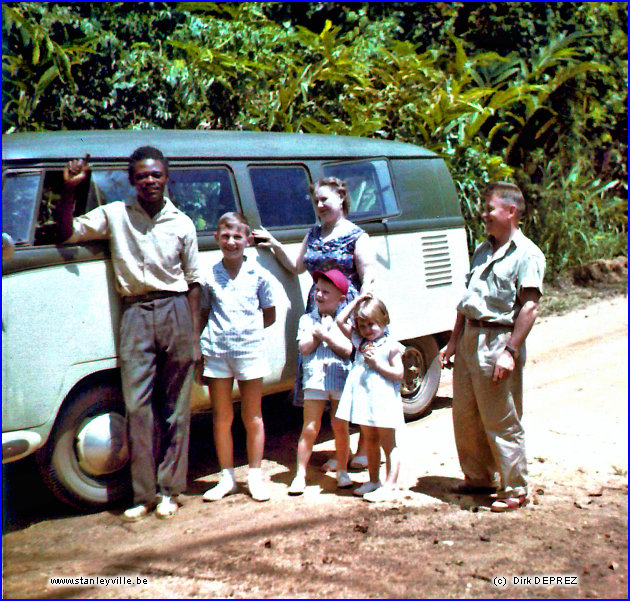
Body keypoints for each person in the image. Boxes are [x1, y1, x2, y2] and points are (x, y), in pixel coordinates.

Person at [59, 147, 201, 521]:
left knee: (176, 410)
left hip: (175, 311)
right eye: (141, 176)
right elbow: (67, 232)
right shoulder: (115, 215)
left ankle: (170, 490)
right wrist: (70, 191)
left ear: (166, 177)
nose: (149, 181)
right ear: (131, 179)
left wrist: (194, 337)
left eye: (155, 174)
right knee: (137, 408)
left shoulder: (182, 224)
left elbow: (194, 282)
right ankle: (144, 494)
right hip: (135, 312)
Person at [253, 176, 375, 471]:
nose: (320, 205)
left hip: (349, 312)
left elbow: (369, 278)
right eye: (316, 201)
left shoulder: (357, 236)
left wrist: (361, 315)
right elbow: (296, 266)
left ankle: (359, 450)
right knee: (327, 382)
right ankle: (343, 450)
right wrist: (272, 243)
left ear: (341, 199)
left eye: (325, 199)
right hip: (319, 308)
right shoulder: (314, 233)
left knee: (353, 378)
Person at [439, 181, 545, 513]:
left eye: (490, 208)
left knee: (501, 418)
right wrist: (452, 343)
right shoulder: (483, 250)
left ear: (510, 211)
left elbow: (528, 308)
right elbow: (467, 302)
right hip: (471, 336)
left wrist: (510, 352)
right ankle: (479, 477)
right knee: (466, 415)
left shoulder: (528, 254)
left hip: (499, 340)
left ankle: (515, 487)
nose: (483, 214)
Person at [199, 212, 276, 503]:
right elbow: (205, 313)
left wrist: (246, 334)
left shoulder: (260, 275)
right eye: (226, 236)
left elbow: (269, 315)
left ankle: (254, 476)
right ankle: (227, 477)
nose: (232, 242)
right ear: (217, 238)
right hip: (217, 354)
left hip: (249, 353)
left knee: (253, 415)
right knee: (221, 417)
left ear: (247, 239)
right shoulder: (209, 275)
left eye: (237, 236)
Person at [288, 269, 354, 496]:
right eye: (317, 290)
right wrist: (317, 334)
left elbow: (347, 350)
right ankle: (300, 474)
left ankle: (342, 471)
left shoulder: (345, 322)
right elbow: (304, 348)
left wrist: (327, 335)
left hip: (339, 379)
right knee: (310, 426)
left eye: (326, 292)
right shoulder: (307, 319)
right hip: (315, 380)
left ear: (341, 299)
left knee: (340, 426)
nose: (320, 295)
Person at [336, 294, 405, 503]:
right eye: (362, 325)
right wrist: (356, 303)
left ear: (384, 320)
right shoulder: (360, 342)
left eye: (372, 324)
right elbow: (340, 321)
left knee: (388, 443)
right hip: (365, 401)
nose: (367, 330)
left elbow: (399, 374)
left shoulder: (391, 346)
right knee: (370, 441)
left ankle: (390, 485)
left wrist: (378, 365)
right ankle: (374, 480)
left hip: (383, 401)